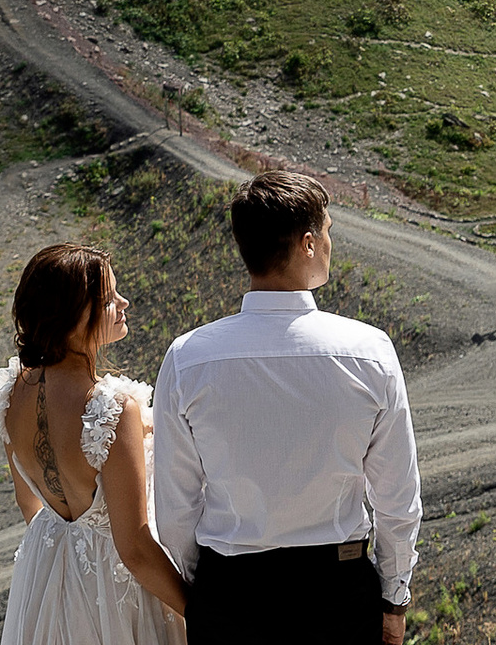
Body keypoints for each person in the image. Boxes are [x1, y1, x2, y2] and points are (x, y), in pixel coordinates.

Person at [152, 170, 420, 645]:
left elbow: (175, 509)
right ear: (309, 244)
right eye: (330, 231)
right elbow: (397, 500)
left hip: (229, 593)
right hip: (338, 590)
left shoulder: (188, 357)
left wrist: (207, 597)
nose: (332, 242)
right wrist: (394, 599)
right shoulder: (368, 351)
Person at [0, 243, 189, 645]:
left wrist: (68, 558)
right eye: (108, 298)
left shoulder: (11, 393)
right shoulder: (112, 408)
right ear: (72, 315)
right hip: (118, 598)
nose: (123, 301)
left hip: (44, 581)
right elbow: (133, 547)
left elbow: (29, 504)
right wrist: (203, 614)